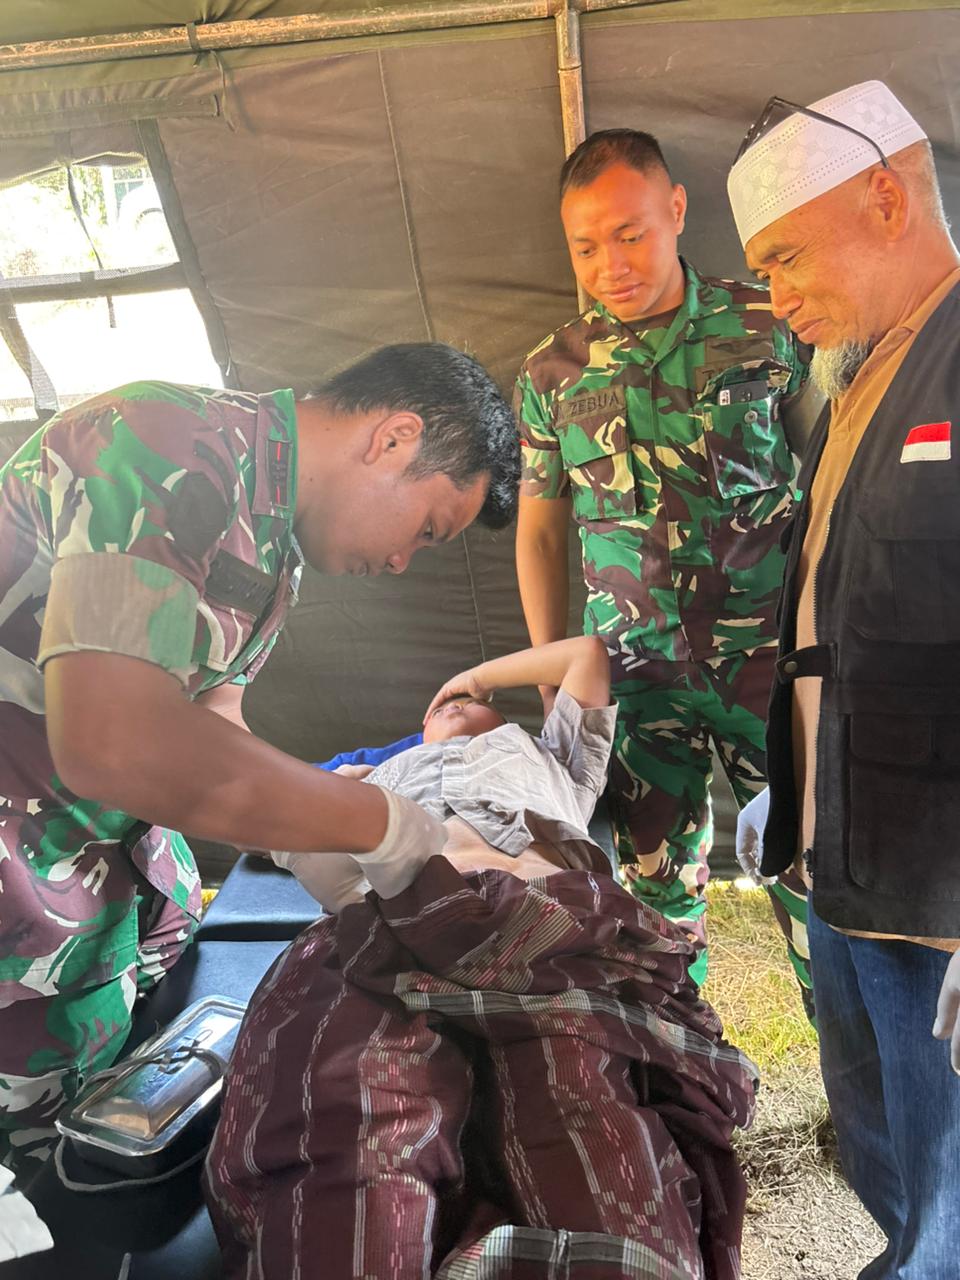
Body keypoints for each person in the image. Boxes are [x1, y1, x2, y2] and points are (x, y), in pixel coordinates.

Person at [0, 342, 519, 1180]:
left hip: (115, 893)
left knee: (127, 1157)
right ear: (393, 438)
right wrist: (376, 822)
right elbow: (111, 739)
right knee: (38, 1199)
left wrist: (310, 817)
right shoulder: (164, 441)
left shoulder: (274, 541)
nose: (399, 562)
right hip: (20, 902)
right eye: (425, 531)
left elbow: (215, 716)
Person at [205, 636, 757, 1280]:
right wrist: (337, 800)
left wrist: (474, 675)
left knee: (576, 1096)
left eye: (473, 703)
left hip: (539, 921)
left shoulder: (560, 766)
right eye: (438, 707)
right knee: (350, 1097)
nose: (455, 704)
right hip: (382, 931)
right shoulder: (371, 776)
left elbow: (585, 656)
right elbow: (252, 808)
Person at [728, 80, 960, 1279]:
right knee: (875, 1142)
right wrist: (799, 778)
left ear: (884, 194)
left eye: (781, 256)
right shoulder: (849, 378)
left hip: (941, 879)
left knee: (947, 1186)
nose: (773, 298)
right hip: (843, 847)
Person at [514, 128, 817, 998]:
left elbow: (829, 470)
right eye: (585, 245)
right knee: (652, 899)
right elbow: (538, 532)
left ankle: (851, 1072)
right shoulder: (553, 373)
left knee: (808, 870)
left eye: (631, 233)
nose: (610, 263)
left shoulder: (767, 324)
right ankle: (681, 1076)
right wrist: (550, 672)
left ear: (677, 210)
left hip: (770, 665)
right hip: (637, 680)